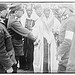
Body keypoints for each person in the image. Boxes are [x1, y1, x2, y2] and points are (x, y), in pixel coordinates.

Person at [7, 4, 37, 73]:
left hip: (15, 46)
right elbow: (25, 32)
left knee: (14, 64)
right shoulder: (13, 21)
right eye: (22, 11)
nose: (23, 13)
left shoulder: (13, 19)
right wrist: (35, 38)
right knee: (14, 65)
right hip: (14, 46)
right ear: (16, 11)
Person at [32, 3, 58, 73]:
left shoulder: (55, 20)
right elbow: (35, 32)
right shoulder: (39, 21)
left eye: (48, 11)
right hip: (42, 43)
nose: (47, 13)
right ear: (43, 12)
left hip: (51, 43)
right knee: (42, 59)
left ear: (50, 11)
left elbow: (59, 30)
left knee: (51, 58)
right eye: (45, 11)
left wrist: (55, 31)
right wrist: (36, 39)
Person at [56, 4, 75, 73]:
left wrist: (59, 53)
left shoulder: (70, 21)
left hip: (67, 55)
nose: (59, 11)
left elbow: (68, 40)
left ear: (67, 9)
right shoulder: (68, 19)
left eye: (61, 9)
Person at [0, 3, 15, 73]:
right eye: (5, 10)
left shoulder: (2, 24)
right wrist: (8, 66)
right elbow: (1, 49)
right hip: (2, 63)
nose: (7, 12)